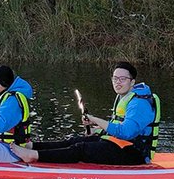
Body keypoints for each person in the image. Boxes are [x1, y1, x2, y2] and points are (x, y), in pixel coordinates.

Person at [9, 61, 161, 166]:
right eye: (115, 78)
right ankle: (31, 146)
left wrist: (94, 119)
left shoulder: (139, 103)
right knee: (74, 141)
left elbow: (126, 132)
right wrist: (98, 130)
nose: (117, 82)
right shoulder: (125, 97)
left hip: (134, 154)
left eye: (122, 79)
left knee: (81, 149)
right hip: (121, 145)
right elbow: (119, 126)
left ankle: (33, 156)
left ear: (132, 82)